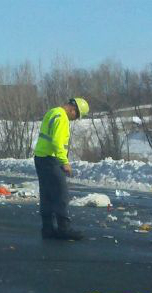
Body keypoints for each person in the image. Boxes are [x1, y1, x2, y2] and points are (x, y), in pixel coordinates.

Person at [33, 98, 89, 240]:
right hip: (51, 159)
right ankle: (64, 229)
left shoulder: (52, 112)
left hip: (40, 157)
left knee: (46, 194)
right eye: (76, 116)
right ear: (73, 110)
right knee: (61, 194)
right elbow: (57, 142)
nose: (74, 119)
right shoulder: (62, 117)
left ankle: (47, 228)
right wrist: (64, 162)